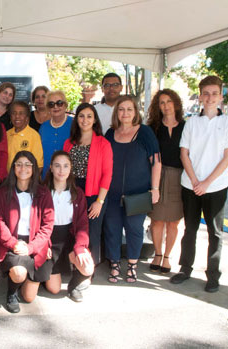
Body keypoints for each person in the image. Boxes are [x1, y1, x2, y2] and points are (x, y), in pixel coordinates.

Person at [170, 76, 228, 293]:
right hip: (191, 185)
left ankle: (213, 275)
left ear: (221, 96)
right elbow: (184, 153)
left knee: (214, 232)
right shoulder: (192, 122)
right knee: (190, 229)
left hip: (216, 186)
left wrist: (207, 182)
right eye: (206, 93)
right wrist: (195, 181)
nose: (210, 97)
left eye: (214, 93)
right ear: (201, 95)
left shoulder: (226, 122)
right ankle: (185, 268)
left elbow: (226, 157)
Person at [104, 95, 161, 284]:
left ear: (136, 112)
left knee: (134, 230)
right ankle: (114, 264)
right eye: (121, 109)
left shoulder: (144, 132)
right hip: (111, 194)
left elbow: (156, 162)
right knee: (112, 229)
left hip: (137, 194)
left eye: (129, 109)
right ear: (116, 112)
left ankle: (132, 265)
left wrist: (155, 188)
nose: (125, 113)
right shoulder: (110, 134)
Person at [0, 151, 54, 313]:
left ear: (34, 168)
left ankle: (27, 278)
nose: (23, 168)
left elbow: (47, 226)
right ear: (13, 168)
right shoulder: (3, 192)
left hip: (34, 243)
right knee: (19, 274)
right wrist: (14, 243)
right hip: (12, 243)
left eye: (28, 164)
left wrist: (31, 247)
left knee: (29, 297)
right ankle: (12, 292)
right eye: (19, 164)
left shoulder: (43, 193)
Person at [63, 103, 113, 265]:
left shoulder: (103, 143)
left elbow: (107, 174)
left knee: (91, 232)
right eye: (81, 116)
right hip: (72, 191)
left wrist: (100, 202)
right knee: (72, 229)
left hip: (94, 194)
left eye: (89, 116)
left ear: (95, 120)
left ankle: (88, 269)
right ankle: (74, 264)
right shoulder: (69, 142)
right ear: (76, 119)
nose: (85, 120)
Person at [42, 151, 94, 302]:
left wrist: (80, 247)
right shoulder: (42, 191)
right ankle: (43, 277)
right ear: (51, 168)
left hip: (69, 239)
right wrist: (43, 246)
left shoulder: (77, 193)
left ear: (71, 168)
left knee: (88, 267)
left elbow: (83, 224)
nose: (61, 170)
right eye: (57, 166)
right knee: (54, 289)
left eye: (65, 166)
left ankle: (74, 287)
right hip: (50, 240)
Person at [146, 89, 185, 274]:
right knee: (157, 220)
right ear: (157, 106)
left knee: (173, 222)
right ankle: (157, 254)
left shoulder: (186, 126)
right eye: (161, 102)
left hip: (179, 176)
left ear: (176, 103)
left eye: (169, 101)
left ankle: (168, 256)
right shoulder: (153, 128)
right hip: (157, 176)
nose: (166, 105)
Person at [39, 90, 73, 179]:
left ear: (65, 105)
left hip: (67, 177)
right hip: (46, 177)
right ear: (47, 108)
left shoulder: (75, 124)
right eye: (51, 104)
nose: (55, 107)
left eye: (59, 103)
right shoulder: (44, 127)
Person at [6, 101, 44, 172]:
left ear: (27, 118)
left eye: (21, 113)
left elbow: (39, 165)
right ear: (10, 116)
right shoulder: (6, 134)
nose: (17, 116)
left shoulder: (34, 136)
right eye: (14, 113)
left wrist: (31, 182)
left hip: (26, 180)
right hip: (8, 180)